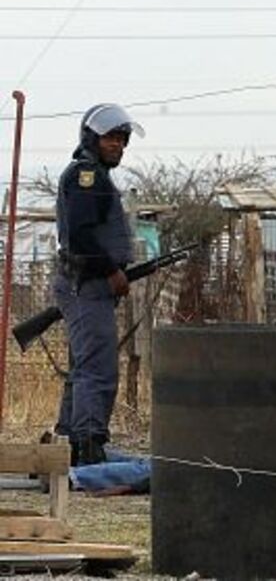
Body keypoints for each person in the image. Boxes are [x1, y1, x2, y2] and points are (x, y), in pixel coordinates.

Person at [54, 104, 144, 466]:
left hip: (88, 285)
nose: (117, 144)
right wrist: (112, 272)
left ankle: (66, 447)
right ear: (91, 138)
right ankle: (89, 449)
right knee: (98, 369)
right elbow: (80, 236)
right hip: (87, 284)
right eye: (110, 138)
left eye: (121, 139)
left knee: (84, 367)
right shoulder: (87, 176)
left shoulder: (93, 175)